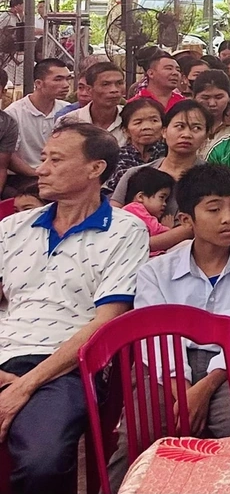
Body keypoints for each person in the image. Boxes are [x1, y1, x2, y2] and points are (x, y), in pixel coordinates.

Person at [0, 125, 144, 491]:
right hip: (4, 356)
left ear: (95, 168)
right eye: (44, 157)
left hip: (67, 367)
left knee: (43, 461)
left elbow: (106, 321)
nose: (41, 168)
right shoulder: (13, 227)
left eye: (56, 159)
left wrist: (25, 386)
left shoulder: (124, 229)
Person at [133, 164, 230, 437]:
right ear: (187, 220)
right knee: (142, 435)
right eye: (214, 209)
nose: (229, 218)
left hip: (228, 367)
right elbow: (157, 339)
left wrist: (204, 388)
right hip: (169, 367)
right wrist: (183, 391)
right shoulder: (155, 272)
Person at [8, 58, 70, 188]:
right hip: (24, 177)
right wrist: (36, 174)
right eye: (58, 79)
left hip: (60, 176)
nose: (66, 85)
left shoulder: (67, 111)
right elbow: (10, 155)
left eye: (67, 79)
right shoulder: (14, 113)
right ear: (39, 83)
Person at [55, 62, 126, 144]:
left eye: (119, 83)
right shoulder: (68, 123)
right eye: (105, 84)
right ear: (89, 90)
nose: (114, 90)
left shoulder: (131, 119)